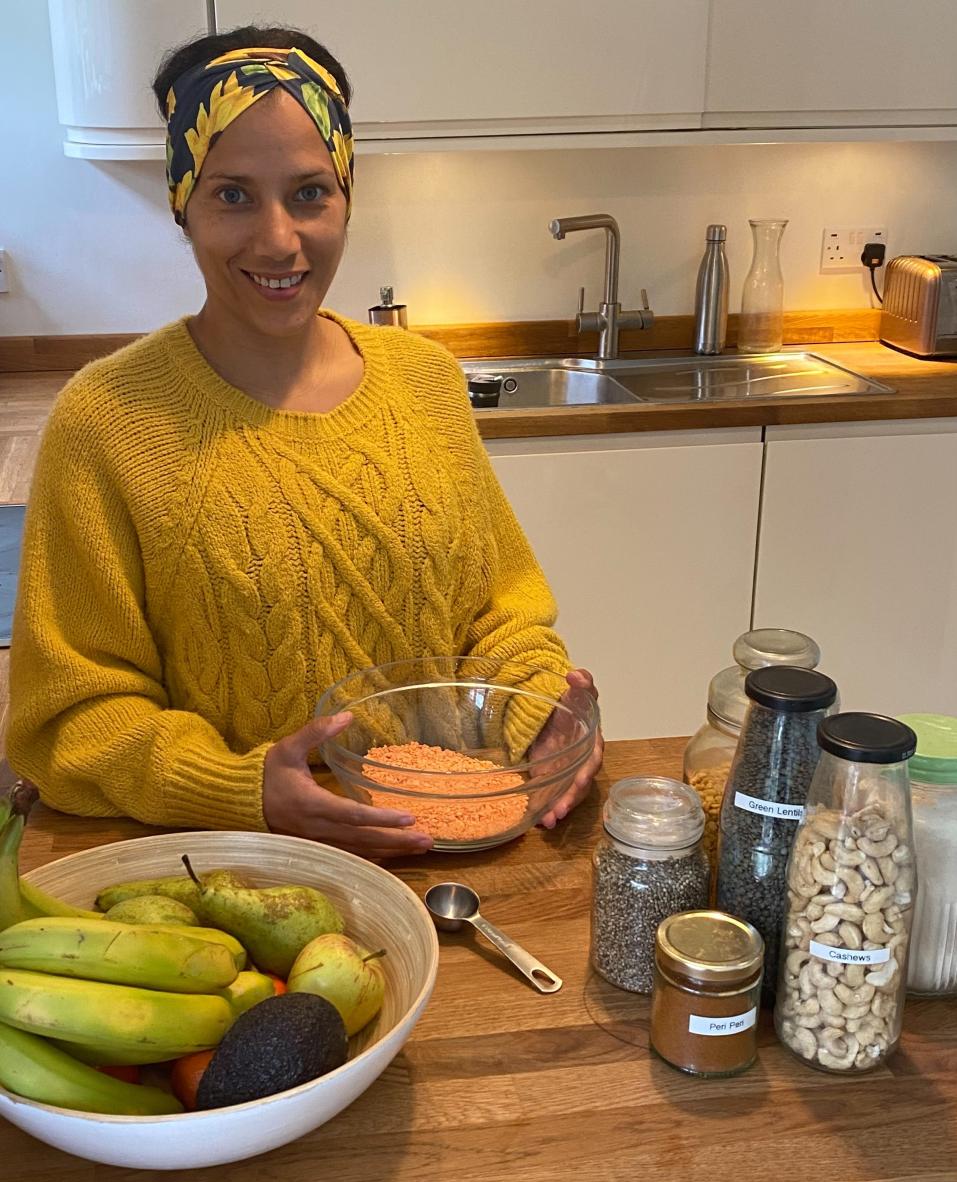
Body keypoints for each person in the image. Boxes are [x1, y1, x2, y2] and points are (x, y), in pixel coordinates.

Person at [7, 26, 603, 858]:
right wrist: (242, 789)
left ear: (347, 197)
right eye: (233, 195)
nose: (280, 240)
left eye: (310, 192)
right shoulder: (108, 421)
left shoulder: (423, 381)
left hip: (457, 849)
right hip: (235, 875)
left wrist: (544, 711)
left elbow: (498, 617)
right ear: (183, 204)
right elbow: (71, 718)